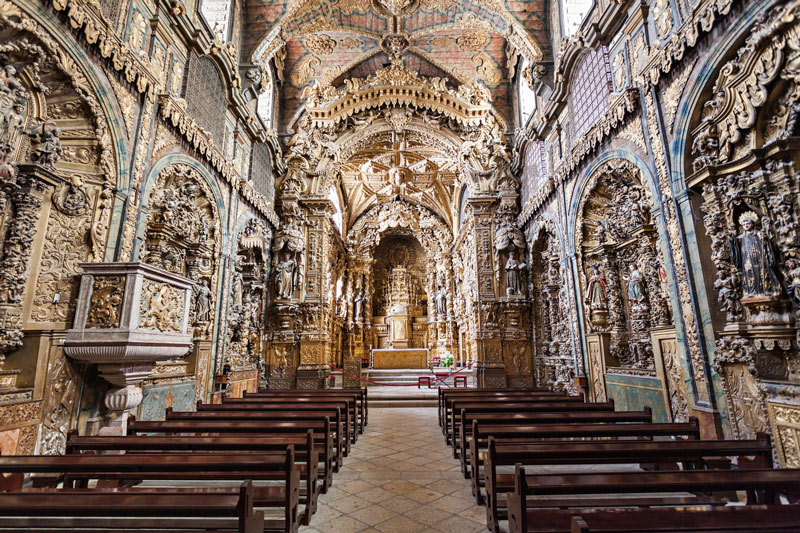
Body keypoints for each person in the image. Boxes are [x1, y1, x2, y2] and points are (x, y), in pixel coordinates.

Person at [732, 212, 781, 299]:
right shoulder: (741, 237)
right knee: (749, 275)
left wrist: (764, 239)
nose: (746, 226)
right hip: (747, 260)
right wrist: (731, 237)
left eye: (748, 224)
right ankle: (751, 291)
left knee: (763, 273)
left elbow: (766, 244)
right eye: (744, 224)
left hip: (759, 258)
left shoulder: (758, 234)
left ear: (753, 224)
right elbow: (735, 248)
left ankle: (767, 290)